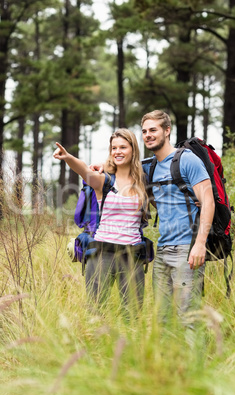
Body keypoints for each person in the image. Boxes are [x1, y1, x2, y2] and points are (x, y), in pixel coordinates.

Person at [53, 128, 148, 318]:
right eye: (114, 148)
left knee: (133, 316)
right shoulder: (104, 181)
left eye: (123, 147)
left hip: (133, 255)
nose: (118, 151)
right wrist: (68, 157)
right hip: (101, 254)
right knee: (96, 314)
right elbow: (84, 171)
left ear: (133, 149)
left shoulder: (143, 180)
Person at [141, 110, 215, 327]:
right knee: (161, 319)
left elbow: (208, 201)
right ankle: (168, 361)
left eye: (153, 130)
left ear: (167, 130)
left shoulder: (187, 160)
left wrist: (200, 244)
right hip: (163, 251)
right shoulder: (150, 166)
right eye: (144, 131)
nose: (148, 135)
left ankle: (197, 361)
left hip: (187, 249)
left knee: (189, 319)